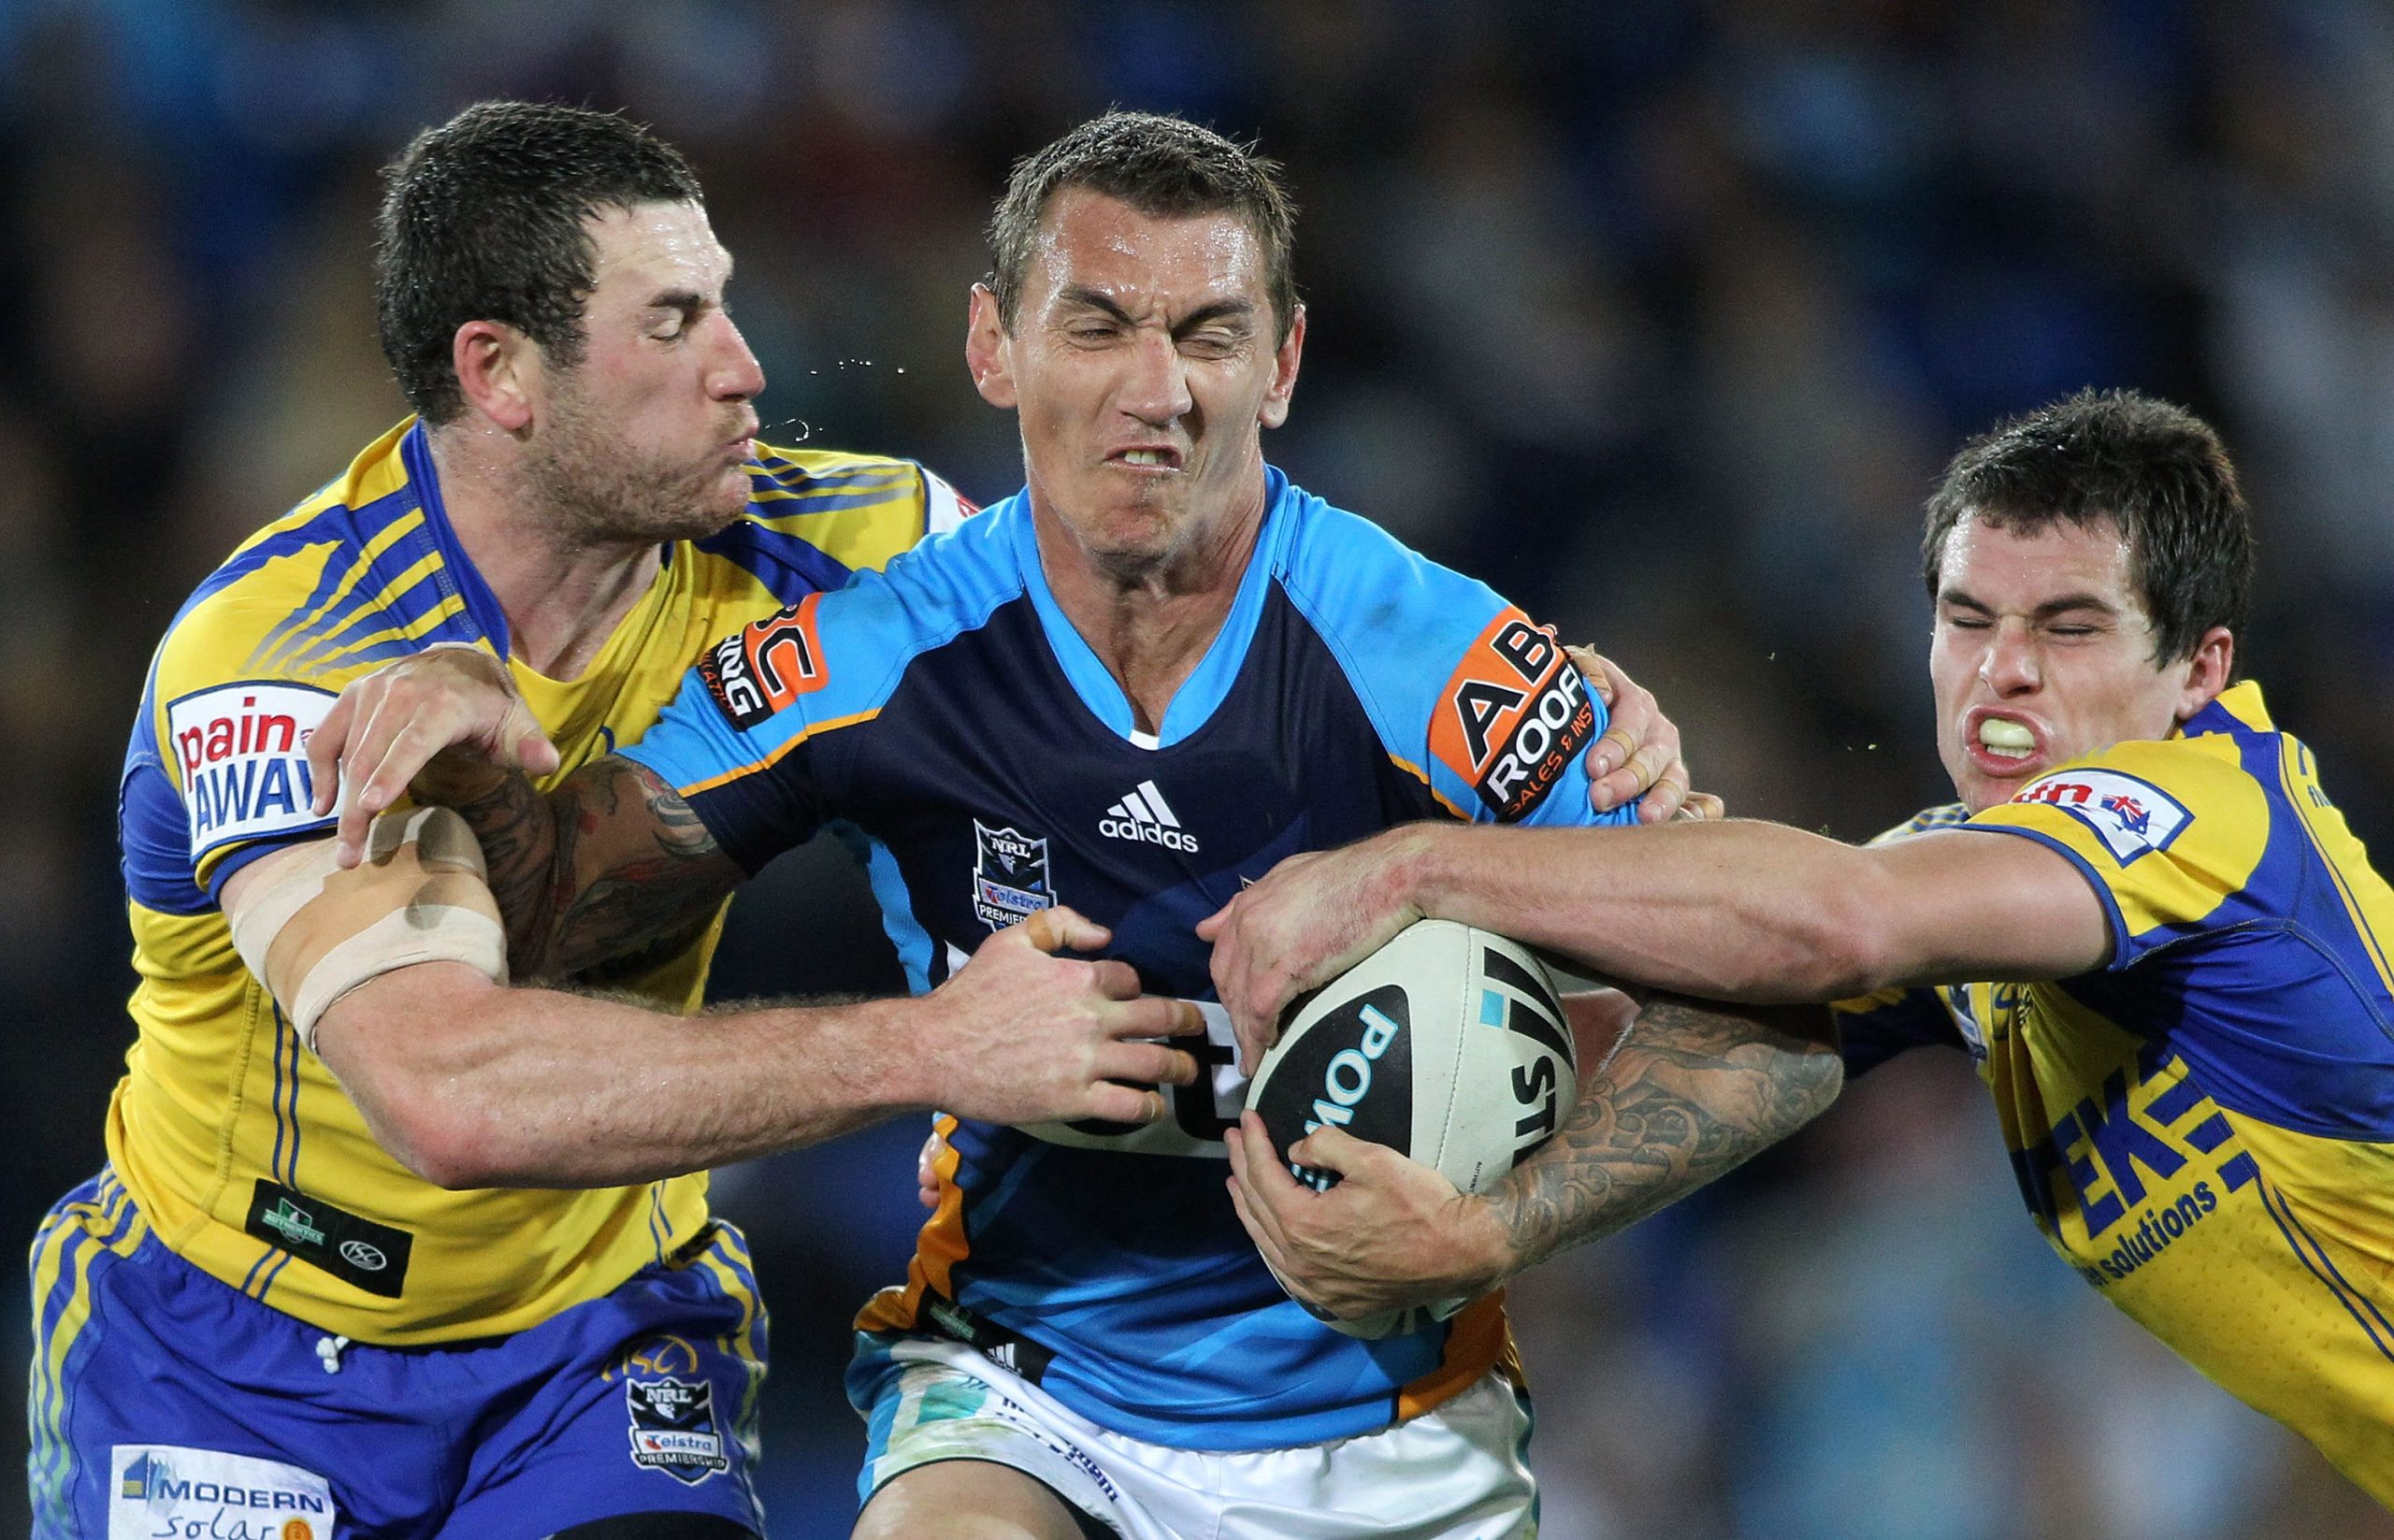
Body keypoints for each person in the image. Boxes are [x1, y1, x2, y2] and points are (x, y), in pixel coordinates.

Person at [310, 111, 1832, 1539]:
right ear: (994, 343)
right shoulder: (876, 651)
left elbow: (1783, 1011)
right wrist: (483, 739)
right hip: (1019, 1389)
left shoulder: (1425, 655)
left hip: (1391, 1420)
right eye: (1097, 323)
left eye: (1208, 333)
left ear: (1284, 362)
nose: (1153, 391)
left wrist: (1506, 1229)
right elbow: (563, 913)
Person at [30, 99, 1223, 1540]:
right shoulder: (288, 654)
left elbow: (1197, 620)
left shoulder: (842, 546)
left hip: (597, 1339)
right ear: (503, 372)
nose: (745, 365)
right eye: (672, 323)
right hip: (229, 1361)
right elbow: (446, 1094)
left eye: (720, 300)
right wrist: (940, 1043)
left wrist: (1501, 699)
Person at [1204, 388, 2394, 1507]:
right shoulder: (1974, 881)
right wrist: (1595, 811)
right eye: (1965, 619)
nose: (2002, 670)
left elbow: (1835, 922)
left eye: (2069, 629)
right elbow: (1715, 1016)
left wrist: (1414, 868)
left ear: (2199, 671)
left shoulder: (2199, 813)